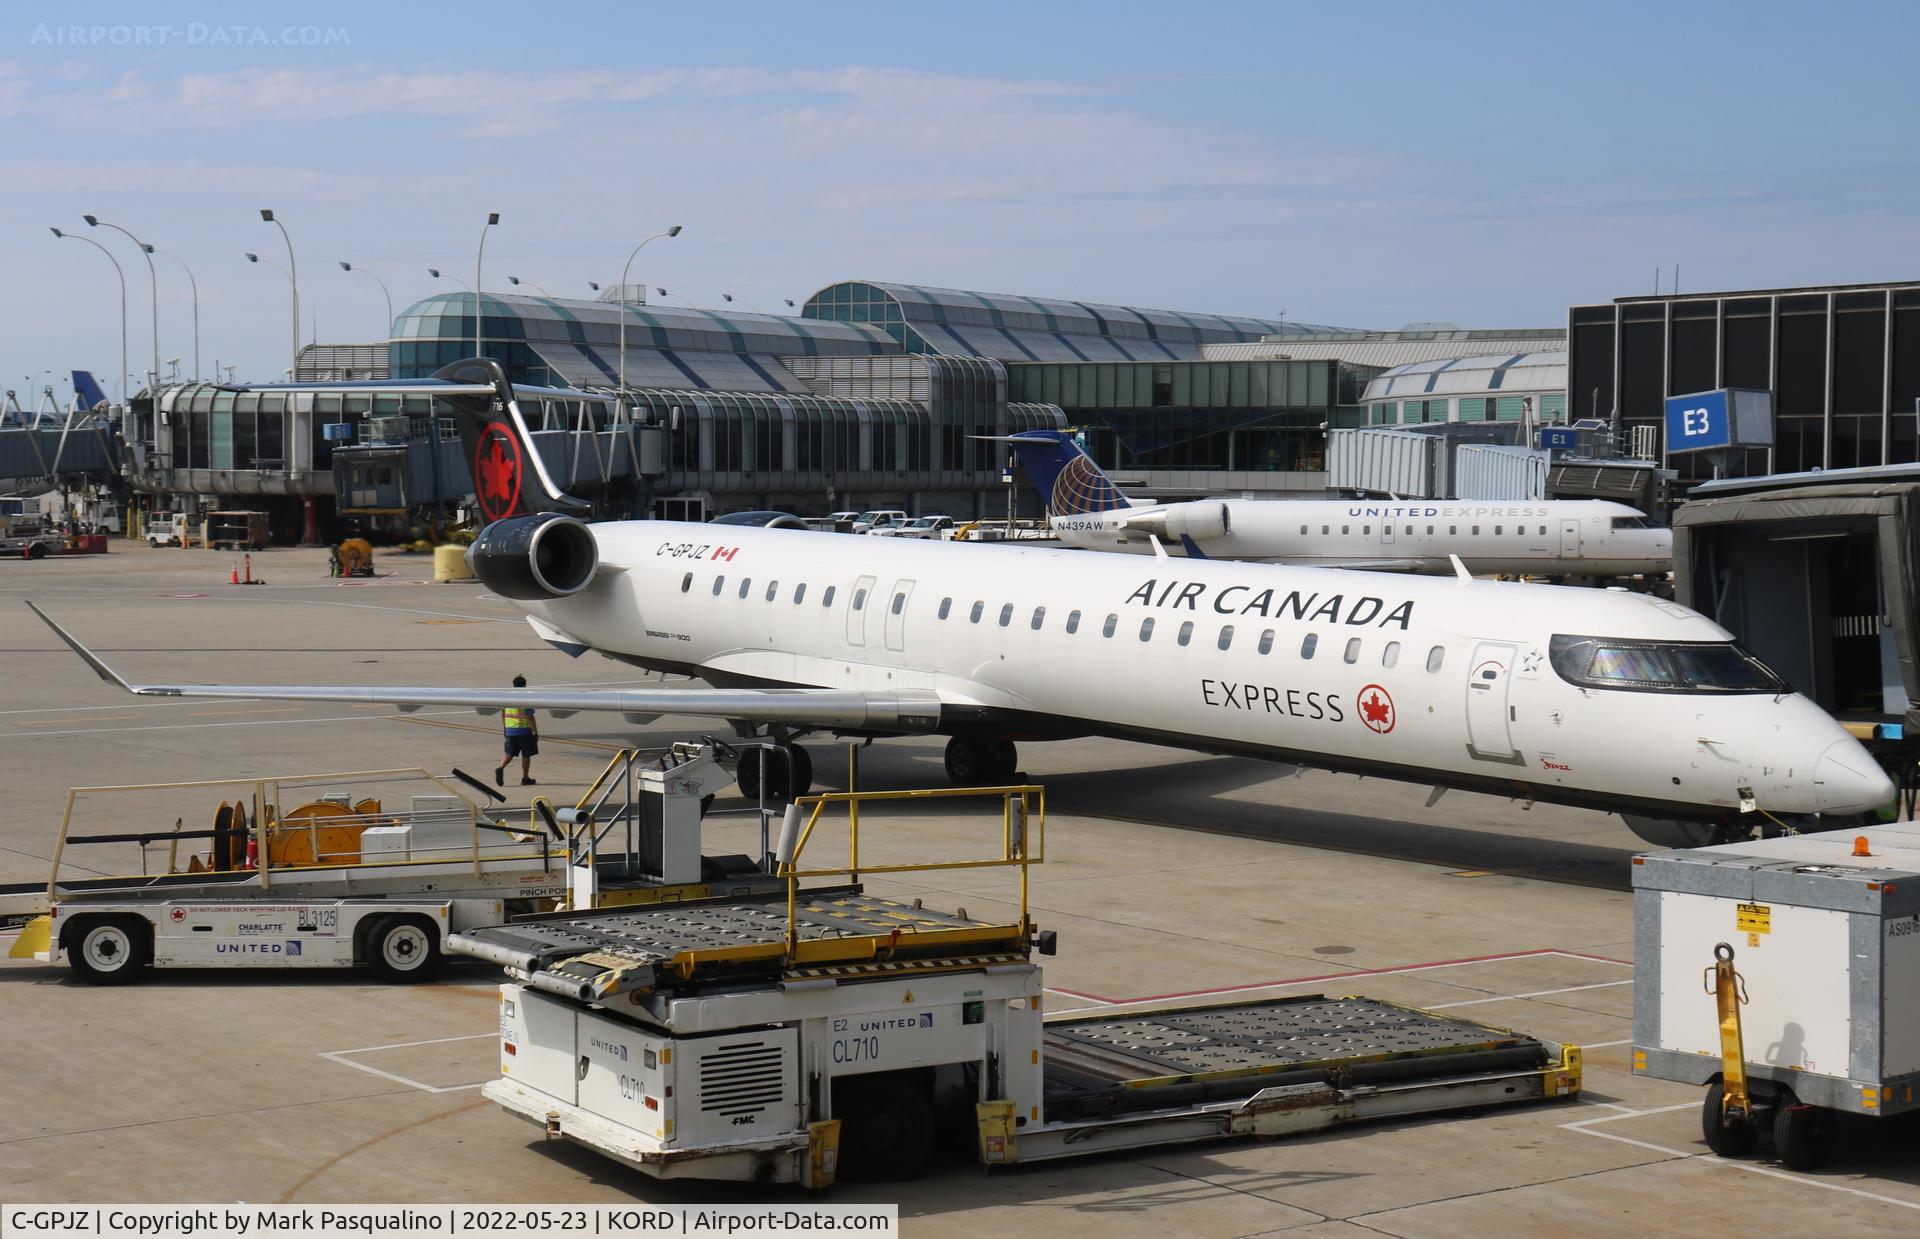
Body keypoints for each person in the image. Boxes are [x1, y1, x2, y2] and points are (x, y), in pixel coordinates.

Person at [495, 675, 539, 786]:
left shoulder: (507, 697)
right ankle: (525, 777)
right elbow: (530, 717)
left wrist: (505, 728)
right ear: (524, 685)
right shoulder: (524, 697)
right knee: (526, 755)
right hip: (524, 731)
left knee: (509, 753)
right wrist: (535, 731)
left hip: (510, 730)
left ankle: (501, 767)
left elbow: (503, 713)